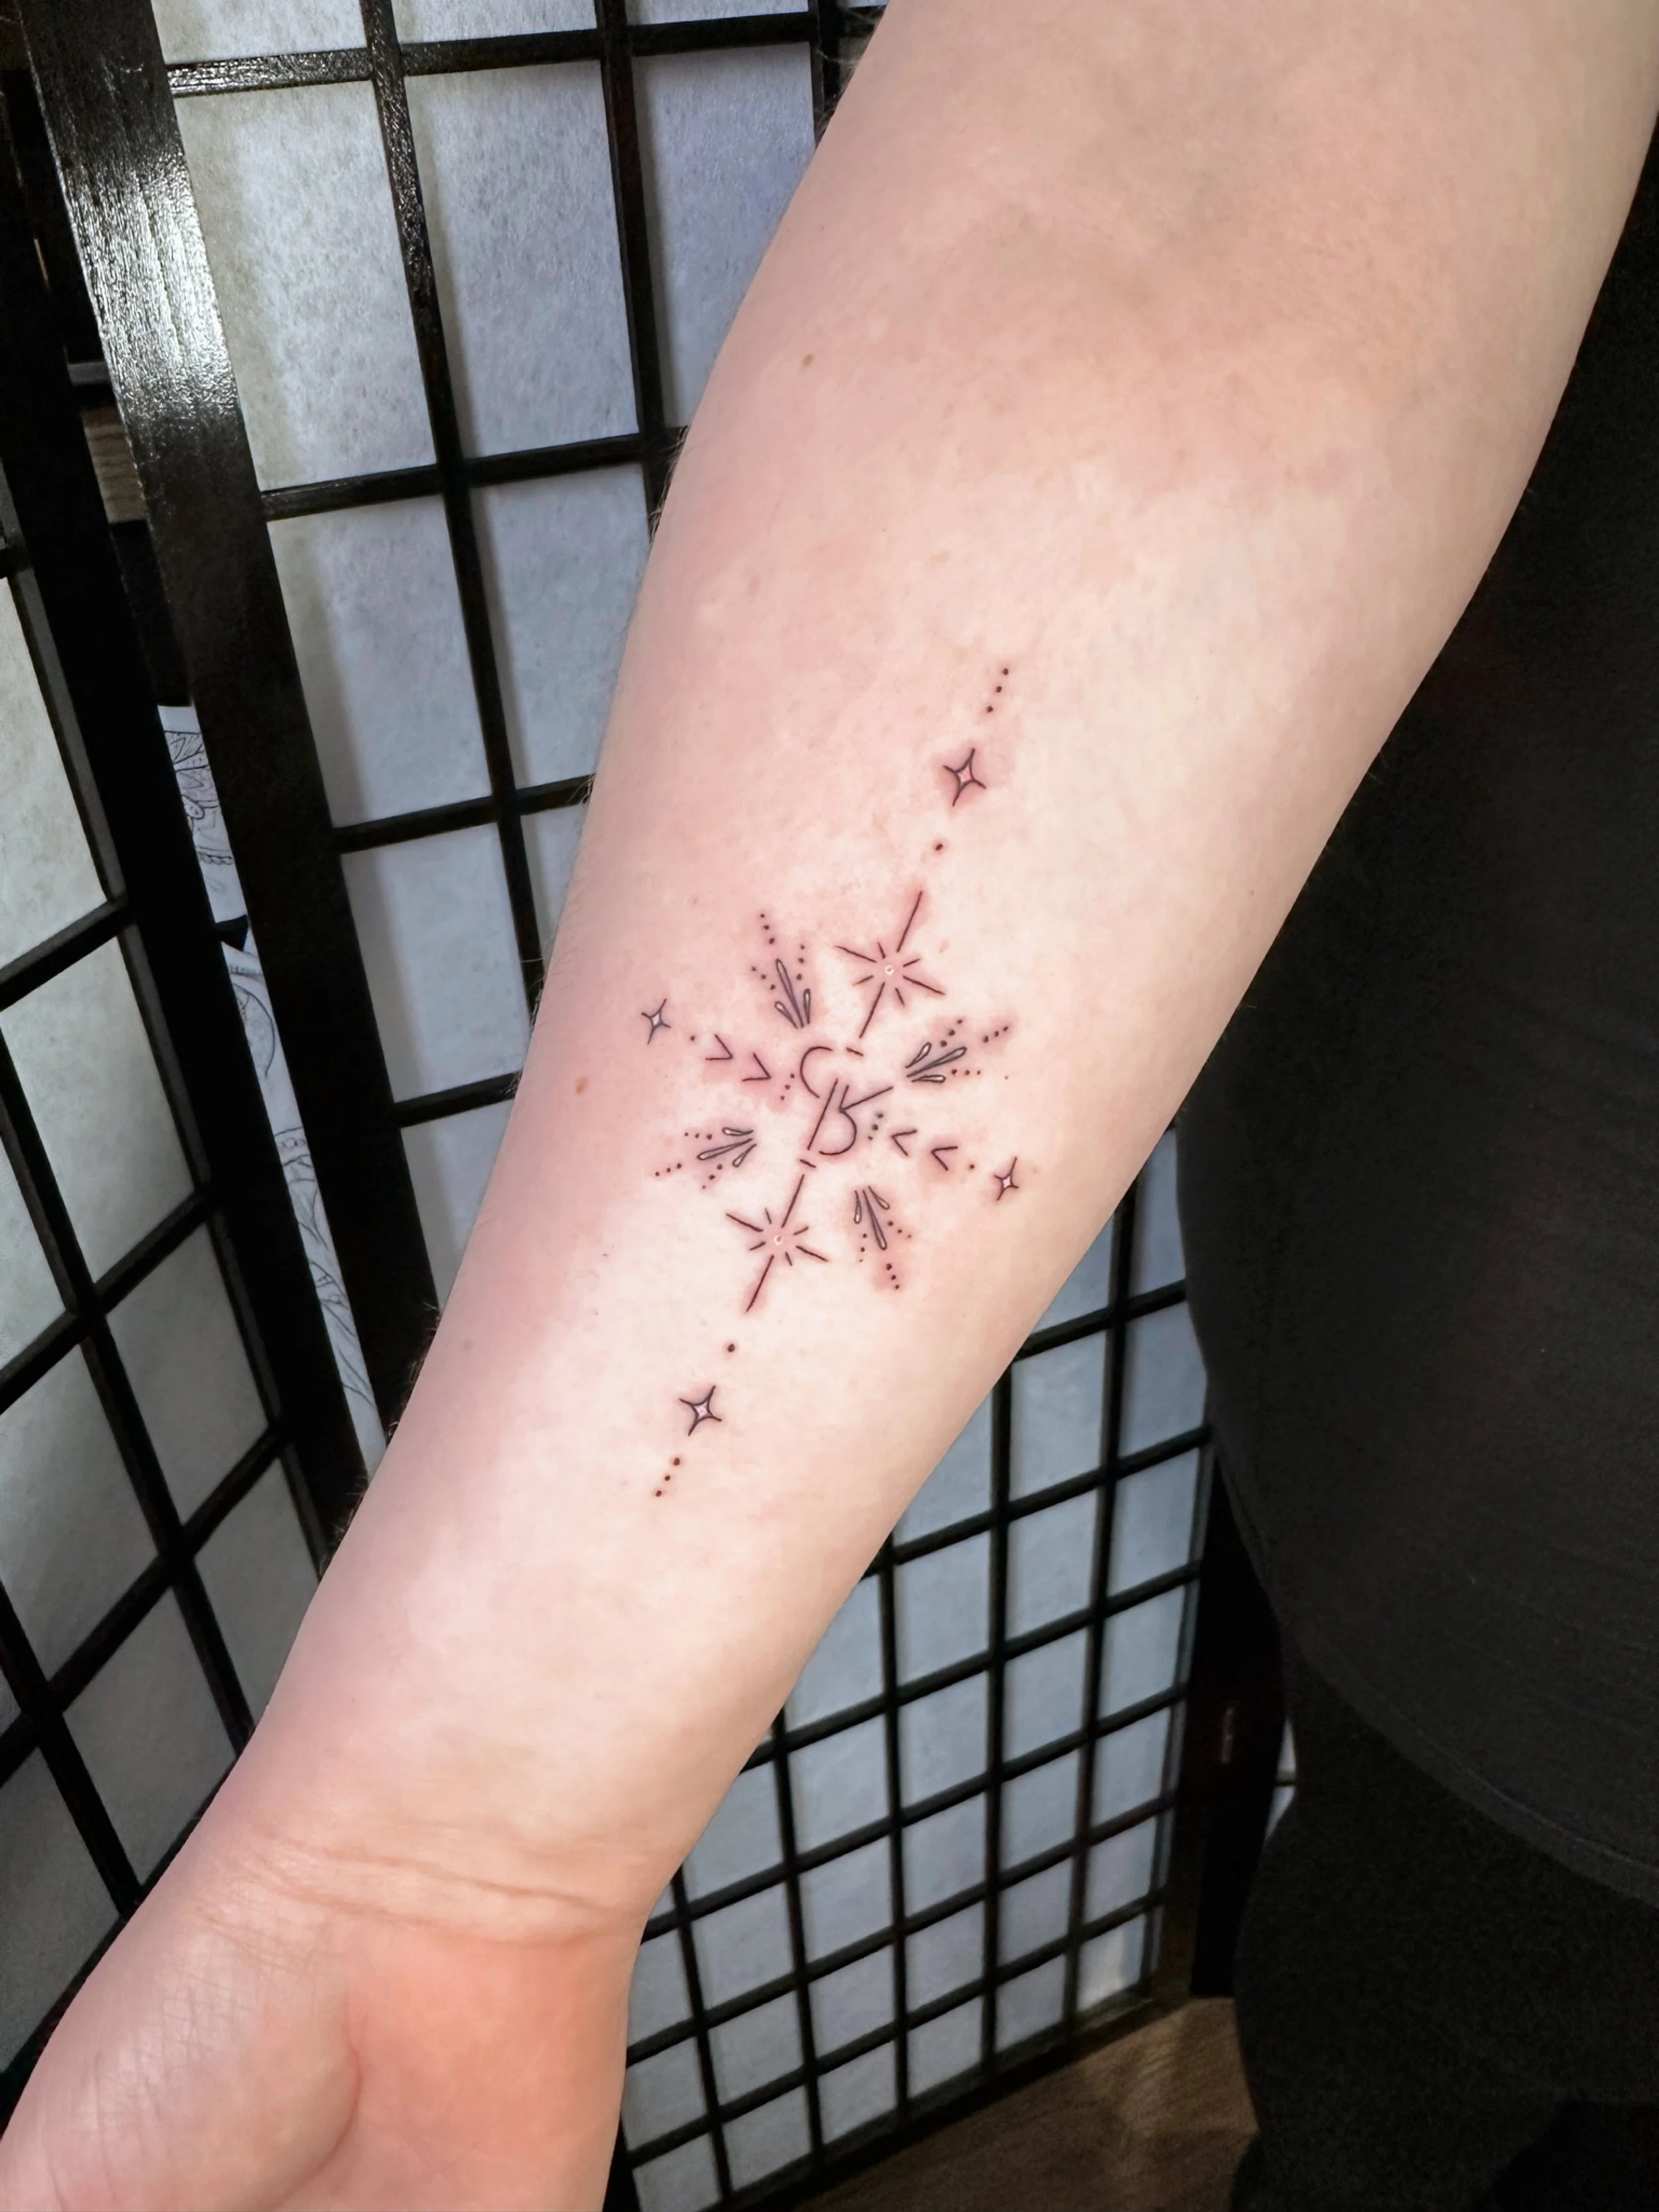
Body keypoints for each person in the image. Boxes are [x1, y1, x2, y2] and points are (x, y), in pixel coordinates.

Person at [3, 0, 1657, 2204]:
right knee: (1418, 2074)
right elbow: (1202, 160)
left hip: (1501, 1478)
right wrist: (460, 1838)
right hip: (1535, 1559)